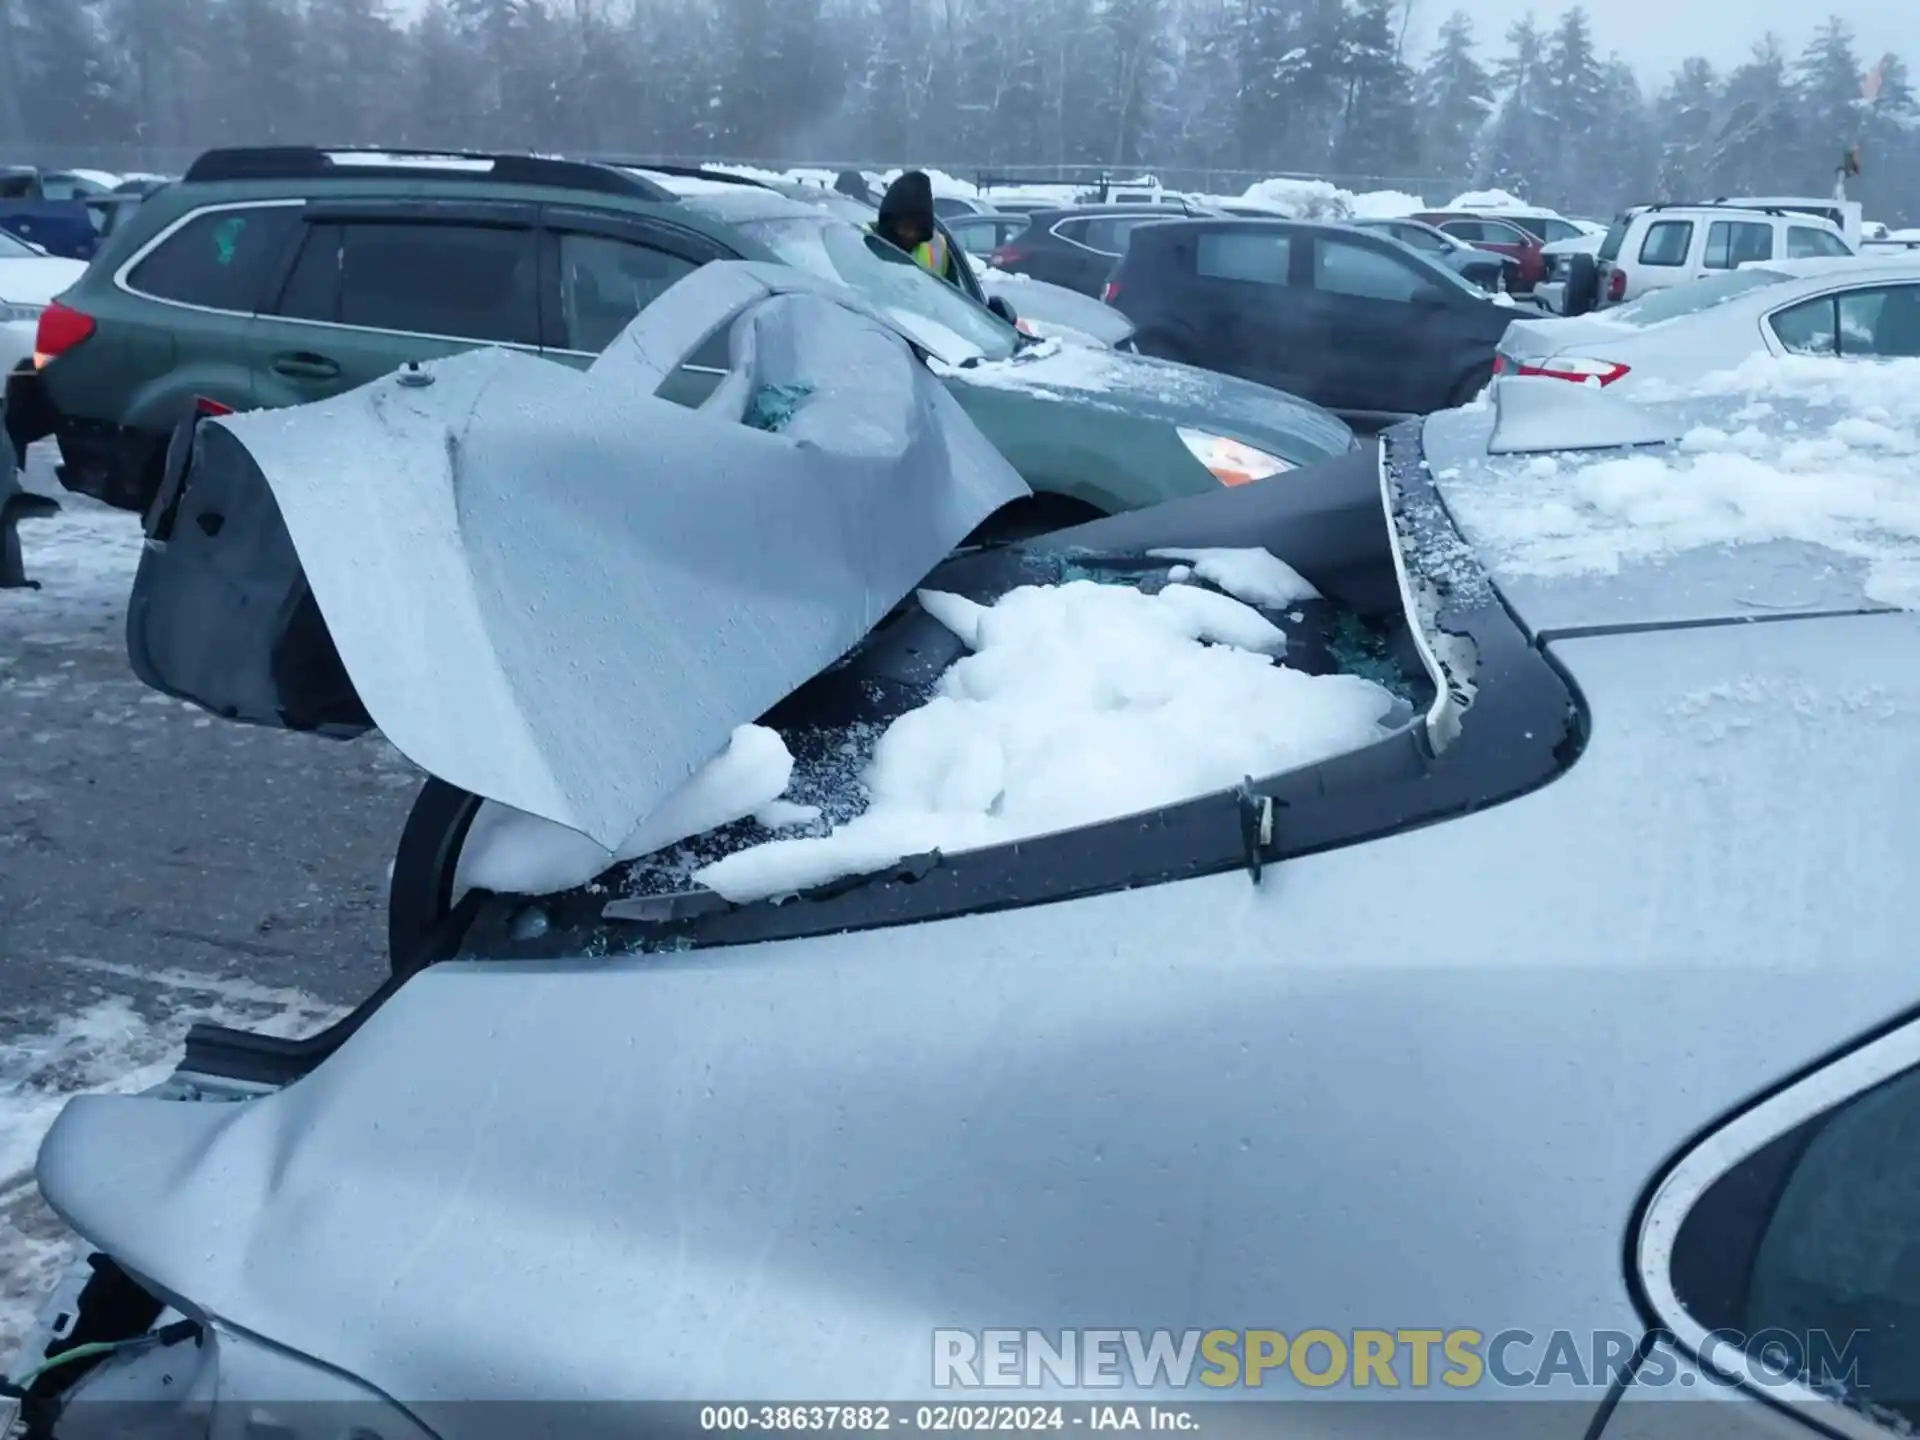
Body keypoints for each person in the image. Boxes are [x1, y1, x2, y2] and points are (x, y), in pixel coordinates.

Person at [870, 170, 963, 288]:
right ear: (890, 223)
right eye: (905, 227)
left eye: (919, 229)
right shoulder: (865, 242)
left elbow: (955, 300)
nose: (911, 235)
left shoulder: (938, 249)